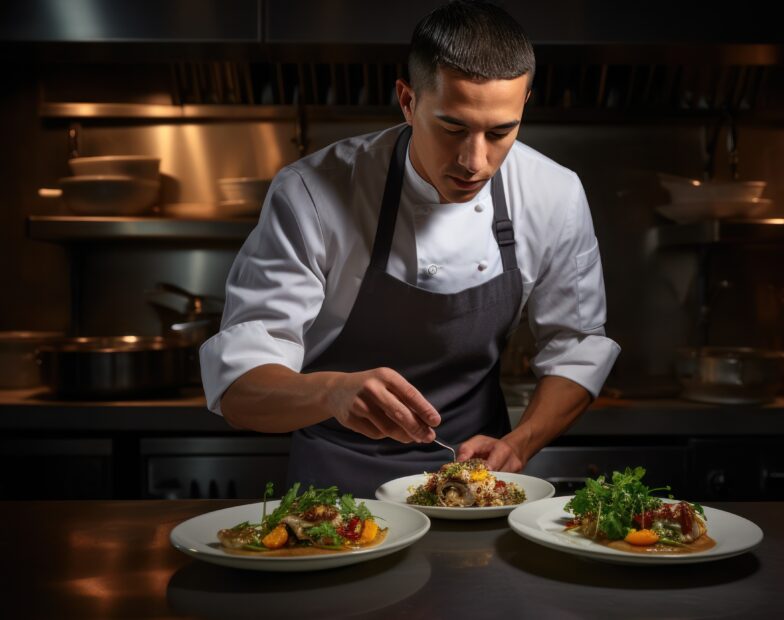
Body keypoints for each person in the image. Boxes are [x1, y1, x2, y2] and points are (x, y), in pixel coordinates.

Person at [200, 0, 620, 497]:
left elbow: (576, 347)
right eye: (453, 128)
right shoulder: (313, 192)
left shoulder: (553, 192)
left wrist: (520, 443)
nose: (475, 161)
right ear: (406, 100)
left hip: (471, 486)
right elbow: (239, 384)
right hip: (336, 488)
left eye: (500, 132)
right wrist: (333, 391)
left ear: (525, 104)